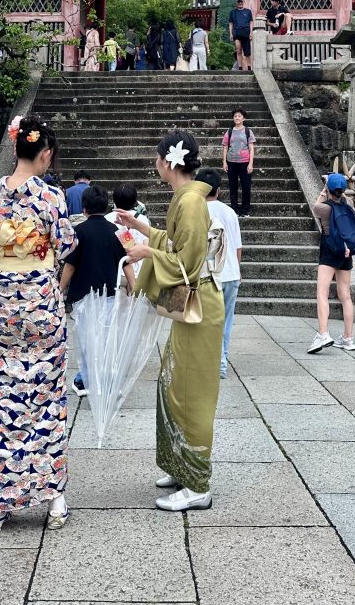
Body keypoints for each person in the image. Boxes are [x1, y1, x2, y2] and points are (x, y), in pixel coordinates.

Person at [0, 114, 76, 534]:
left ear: (17, 148)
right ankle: (53, 498)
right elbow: (66, 245)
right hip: (41, 310)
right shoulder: (51, 198)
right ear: (44, 154)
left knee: (3, 401)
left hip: (1, 313)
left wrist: (6, 244)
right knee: (46, 401)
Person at [117, 130, 223, 512]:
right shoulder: (188, 196)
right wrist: (143, 228)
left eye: (157, 158)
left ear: (169, 162)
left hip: (200, 305)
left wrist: (146, 251)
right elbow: (179, 247)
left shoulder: (191, 202)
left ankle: (198, 483)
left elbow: (187, 264)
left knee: (191, 390)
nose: (155, 164)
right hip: (197, 304)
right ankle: (182, 465)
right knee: (173, 382)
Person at [60, 185, 135, 397]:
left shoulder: (78, 232)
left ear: (84, 208)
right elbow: (129, 261)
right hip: (110, 294)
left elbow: (70, 265)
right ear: (106, 206)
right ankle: (110, 377)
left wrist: (59, 289)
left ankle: (86, 380)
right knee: (108, 337)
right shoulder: (118, 231)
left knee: (86, 339)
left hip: (84, 296)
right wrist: (133, 287)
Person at [196, 168, 242, 380]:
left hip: (207, 274)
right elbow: (237, 247)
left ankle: (203, 363)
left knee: (203, 321)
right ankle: (220, 363)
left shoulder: (197, 211)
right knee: (225, 320)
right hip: (230, 273)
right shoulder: (230, 212)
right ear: (218, 190)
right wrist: (237, 271)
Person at [308, 173, 355, 355]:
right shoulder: (349, 205)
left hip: (329, 252)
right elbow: (344, 198)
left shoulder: (323, 209)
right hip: (346, 253)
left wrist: (325, 186)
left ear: (329, 190)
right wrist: (338, 185)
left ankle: (323, 333)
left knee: (322, 293)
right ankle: (348, 337)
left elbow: (315, 205)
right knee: (346, 296)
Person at [105, 182, 151, 273]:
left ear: (114, 200)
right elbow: (147, 245)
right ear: (135, 201)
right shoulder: (143, 219)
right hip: (138, 271)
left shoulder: (106, 219)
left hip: (115, 271)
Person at [222, 109, 256, 216]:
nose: (237, 118)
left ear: (243, 118)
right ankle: (235, 210)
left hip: (244, 162)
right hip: (231, 162)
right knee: (233, 187)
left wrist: (250, 163)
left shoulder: (248, 131)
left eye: (239, 116)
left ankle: (245, 210)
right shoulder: (229, 131)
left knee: (246, 187)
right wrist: (224, 162)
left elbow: (251, 148)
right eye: (235, 116)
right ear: (233, 118)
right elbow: (225, 147)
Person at [228, 0, 254, 71]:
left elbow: (251, 22)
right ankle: (240, 67)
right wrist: (231, 34)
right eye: (238, 2)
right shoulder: (232, 12)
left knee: (247, 52)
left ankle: (249, 67)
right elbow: (230, 23)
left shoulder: (248, 11)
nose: (240, 3)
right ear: (236, 3)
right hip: (237, 34)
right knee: (238, 50)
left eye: (241, 1)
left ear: (243, 2)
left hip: (246, 34)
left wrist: (251, 33)